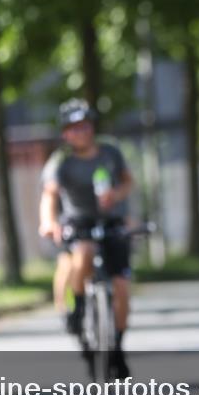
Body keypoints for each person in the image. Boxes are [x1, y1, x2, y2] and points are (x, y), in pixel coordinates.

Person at [38, 99, 135, 377]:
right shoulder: (61, 161)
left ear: (91, 127)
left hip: (112, 221)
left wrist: (116, 195)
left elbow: (128, 180)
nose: (79, 133)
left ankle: (116, 344)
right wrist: (48, 221)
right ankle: (79, 307)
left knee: (121, 288)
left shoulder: (110, 152)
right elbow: (50, 195)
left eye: (84, 126)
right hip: (78, 221)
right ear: (65, 133)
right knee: (82, 254)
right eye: (73, 128)